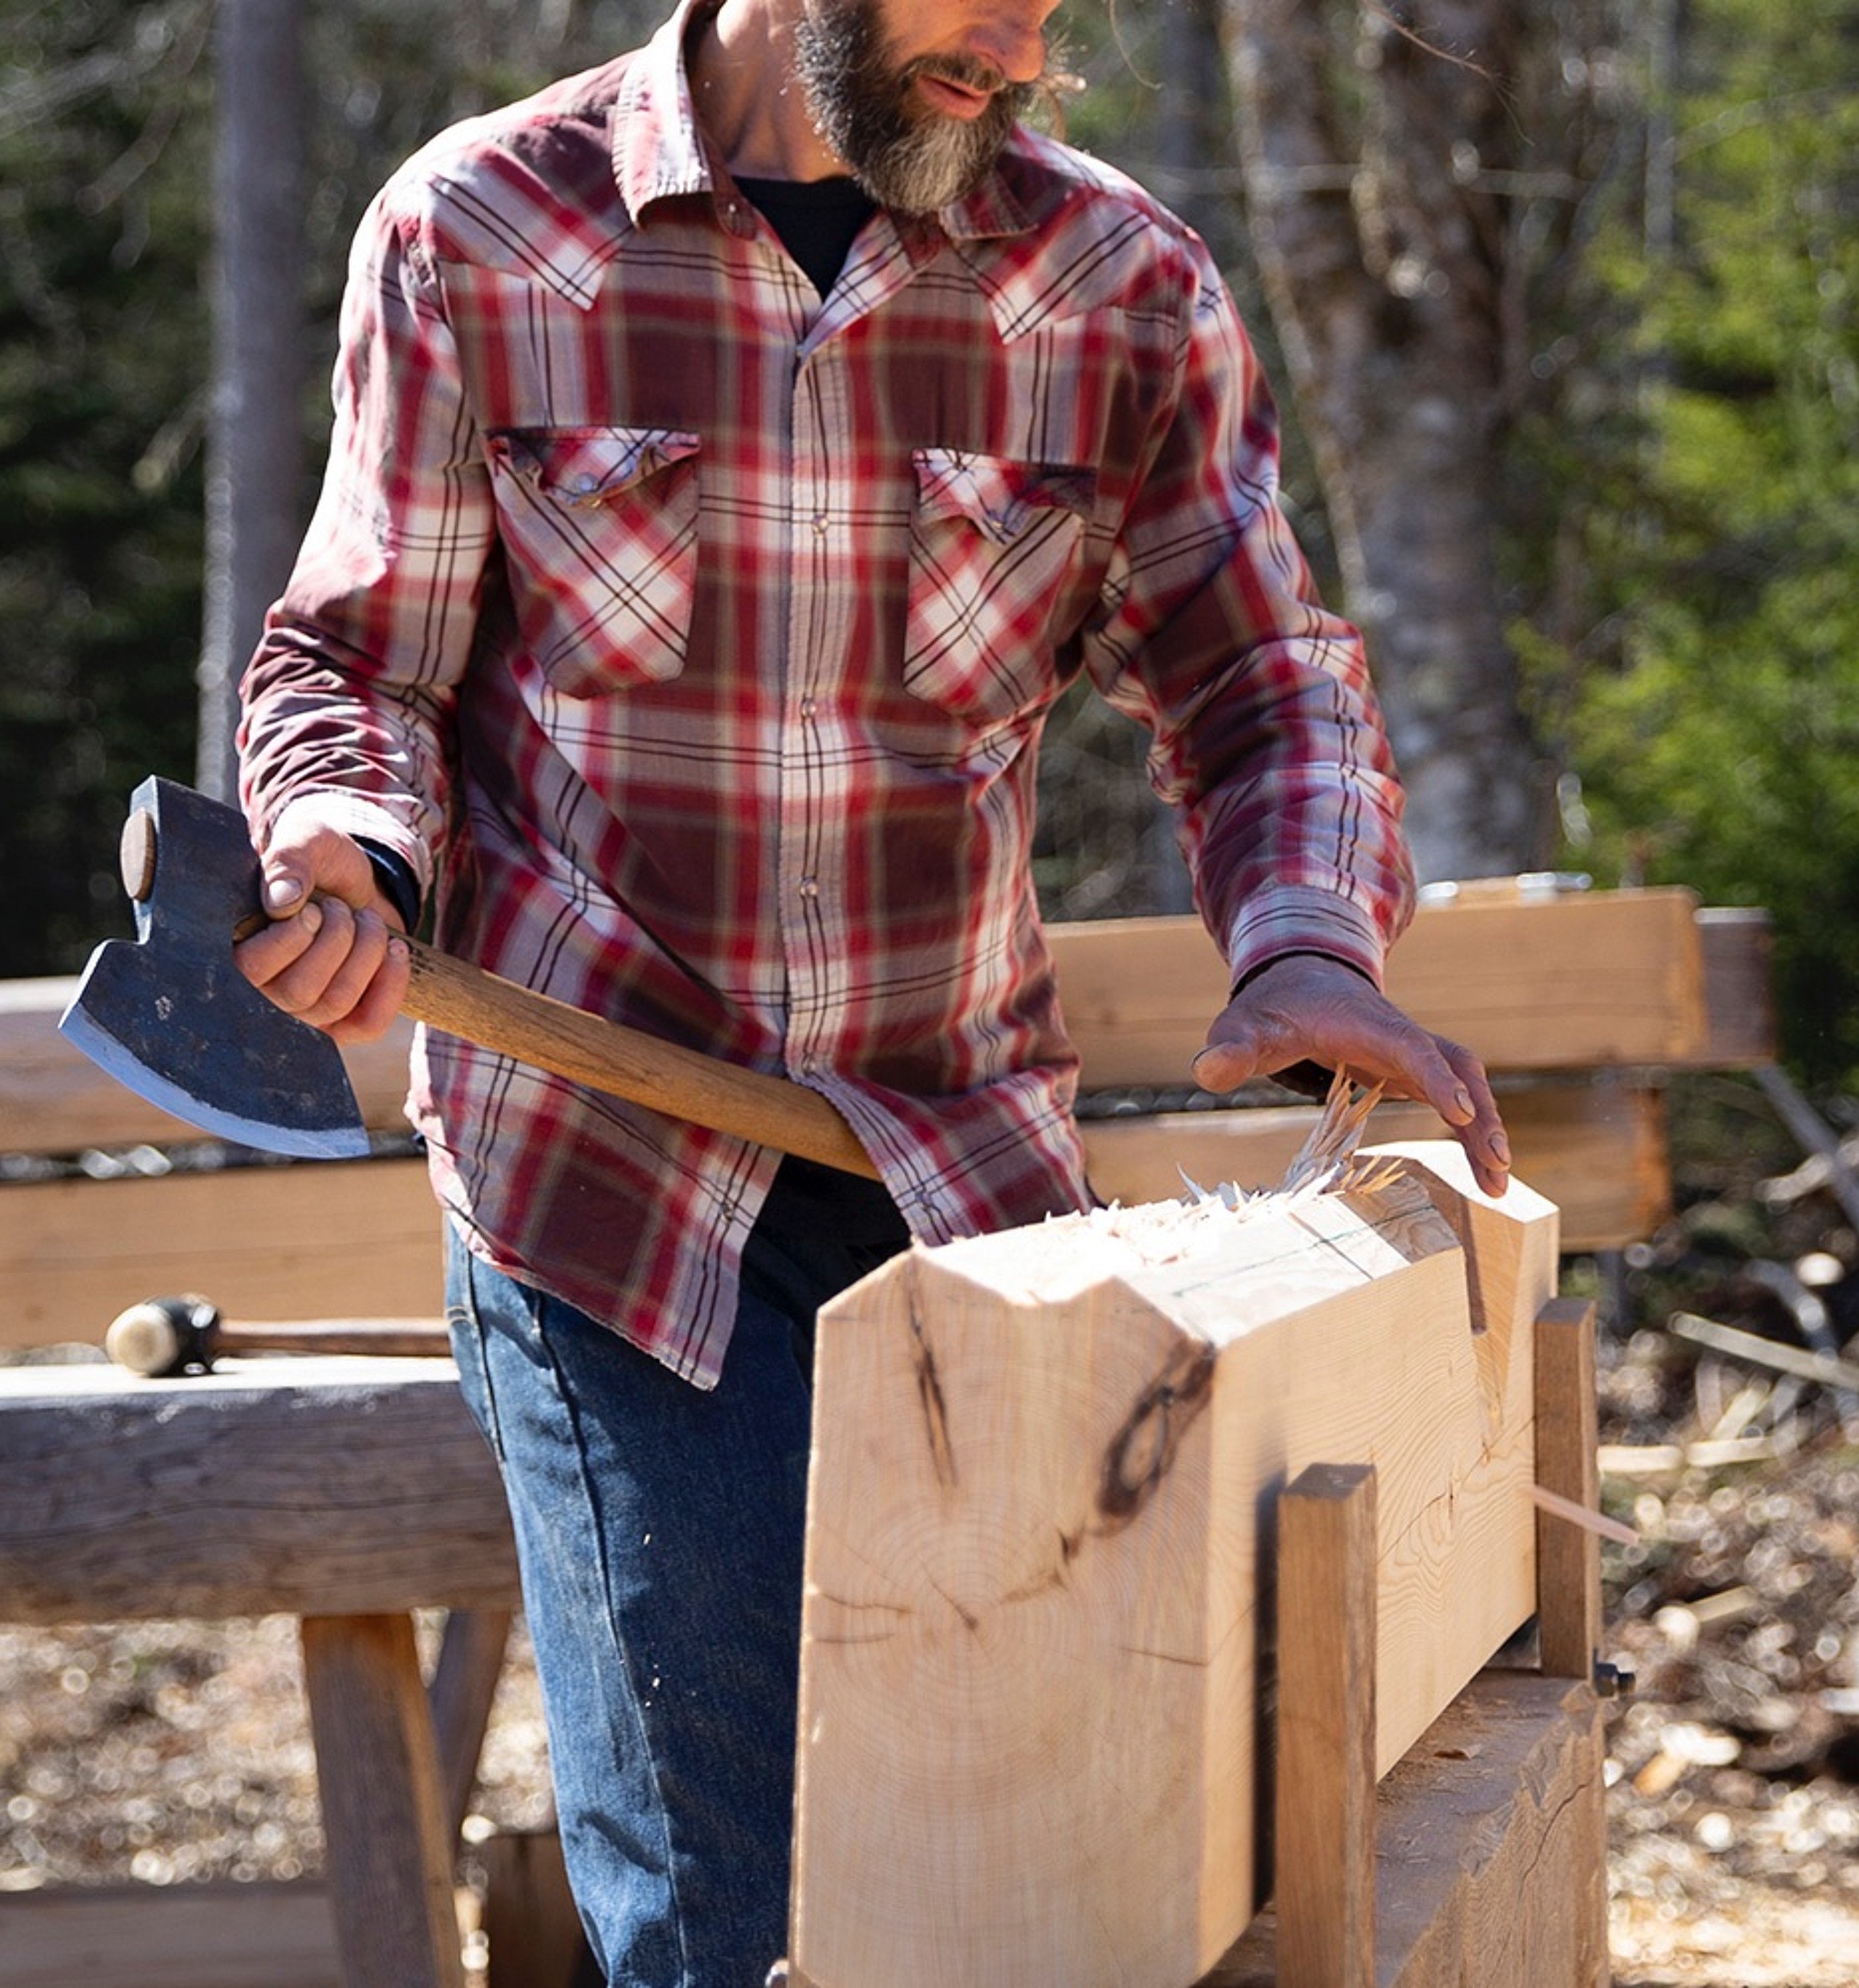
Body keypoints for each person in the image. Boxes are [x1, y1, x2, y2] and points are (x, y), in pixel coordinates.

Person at [233, 2, 1512, 1980]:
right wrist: (349, 843)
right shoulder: (481, 228)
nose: (1019, 39)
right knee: (742, 1912)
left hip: (966, 1187)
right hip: (608, 1183)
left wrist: (1307, 936)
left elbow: (1259, 679)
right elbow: (362, 662)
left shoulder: (1119, 282)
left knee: (1032, 1883)